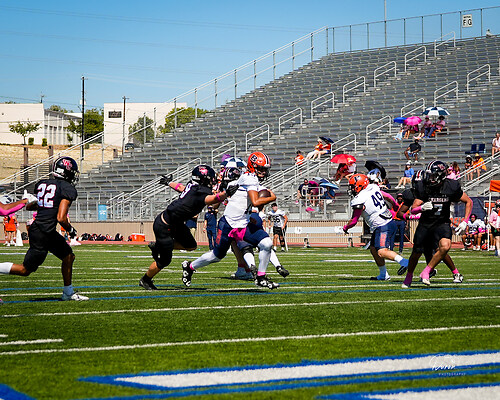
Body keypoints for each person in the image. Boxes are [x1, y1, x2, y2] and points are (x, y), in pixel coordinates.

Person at [181, 152, 281, 290]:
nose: (264, 172)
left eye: (265, 169)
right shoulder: (250, 179)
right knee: (216, 256)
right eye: (261, 168)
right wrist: (272, 198)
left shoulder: (249, 178)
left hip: (243, 224)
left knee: (267, 243)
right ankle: (190, 266)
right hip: (229, 224)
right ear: (253, 166)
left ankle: (261, 277)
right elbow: (256, 202)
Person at [0, 156, 88, 301]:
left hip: (44, 230)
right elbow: (61, 218)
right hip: (43, 232)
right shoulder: (66, 188)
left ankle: (68, 292)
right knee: (25, 270)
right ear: (67, 172)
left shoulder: (43, 184)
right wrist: (70, 229)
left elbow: (31, 207)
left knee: (68, 256)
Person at [139, 165, 238, 290]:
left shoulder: (194, 186)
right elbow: (212, 199)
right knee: (165, 260)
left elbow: (181, 188)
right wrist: (226, 194)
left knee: (191, 245)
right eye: (210, 178)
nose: (212, 181)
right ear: (203, 179)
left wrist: (169, 183)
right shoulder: (201, 192)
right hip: (164, 226)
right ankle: (145, 280)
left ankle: (159, 246)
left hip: (176, 223)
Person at [400, 160, 472, 288]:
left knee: (445, 247)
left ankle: (426, 271)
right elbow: (413, 209)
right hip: (426, 223)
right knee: (416, 252)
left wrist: (465, 222)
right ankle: (409, 276)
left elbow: (469, 202)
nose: (430, 178)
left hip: (442, 222)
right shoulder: (424, 186)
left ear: (441, 175)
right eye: (429, 175)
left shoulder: (451, 186)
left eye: (433, 176)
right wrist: (421, 208)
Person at [343, 174, 409, 281]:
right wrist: (396, 205)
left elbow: (354, 220)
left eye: (353, 186)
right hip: (388, 222)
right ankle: (383, 274)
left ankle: (405, 262)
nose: (351, 189)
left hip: (383, 226)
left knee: (381, 252)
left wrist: (345, 228)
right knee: (373, 249)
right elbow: (388, 196)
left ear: (359, 185)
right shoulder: (373, 188)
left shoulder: (360, 199)